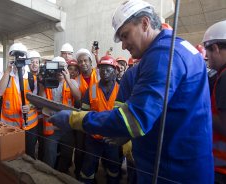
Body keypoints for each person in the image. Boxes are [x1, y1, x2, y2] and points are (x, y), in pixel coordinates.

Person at [47, 0, 213, 183]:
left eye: (125, 36)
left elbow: (134, 119)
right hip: (179, 162)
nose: (124, 45)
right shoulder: (179, 48)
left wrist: (74, 119)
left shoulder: (162, 56)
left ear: (144, 23)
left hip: (171, 170)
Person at [80, 55, 120, 184]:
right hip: (94, 138)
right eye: (102, 69)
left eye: (108, 69)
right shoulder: (91, 90)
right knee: (88, 167)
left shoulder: (121, 90)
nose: (104, 72)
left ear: (114, 70)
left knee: (113, 167)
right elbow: (83, 113)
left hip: (113, 138)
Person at [0, 43, 38, 159]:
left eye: (21, 56)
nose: (18, 59)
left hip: (29, 125)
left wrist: (30, 106)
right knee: (11, 155)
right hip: (10, 125)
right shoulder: (2, 75)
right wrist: (8, 71)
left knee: (29, 155)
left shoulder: (31, 78)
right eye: (15, 56)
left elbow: (38, 100)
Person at [202, 20, 226, 184]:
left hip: (225, 169)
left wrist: (200, 110)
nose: (207, 58)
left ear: (215, 48)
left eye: (207, 51)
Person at [39, 56, 81, 168]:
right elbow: (41, 100)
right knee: (49, 155)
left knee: (67, 155)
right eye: (57, 69)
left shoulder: (72, 82)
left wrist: (67, 79)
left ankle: (62, 172)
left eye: (62, 68)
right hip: (51, 126)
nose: (59, 72)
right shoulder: (47, 82)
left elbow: (78, 98)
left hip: (67, 125)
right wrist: (42, 84)